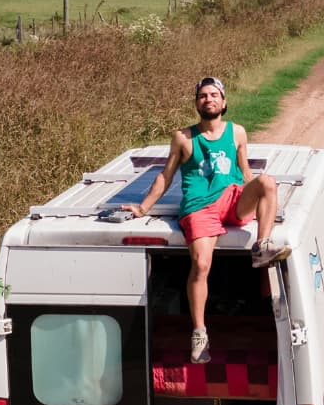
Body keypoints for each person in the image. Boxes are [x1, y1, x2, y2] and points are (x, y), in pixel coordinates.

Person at [122, 77, 291, 363]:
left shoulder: (237, 132)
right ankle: (199, 332)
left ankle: (263, 246)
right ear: (197, 103)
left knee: (267, 181)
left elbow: (246, 171)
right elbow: (165, 176)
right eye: (202, 96)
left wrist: (263, 199)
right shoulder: (183, 137)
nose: (208, 99)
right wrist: (143, 208)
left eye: (214, 95)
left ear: (224, 102)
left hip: (232, 199)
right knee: (201, 264)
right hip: (199, 207)